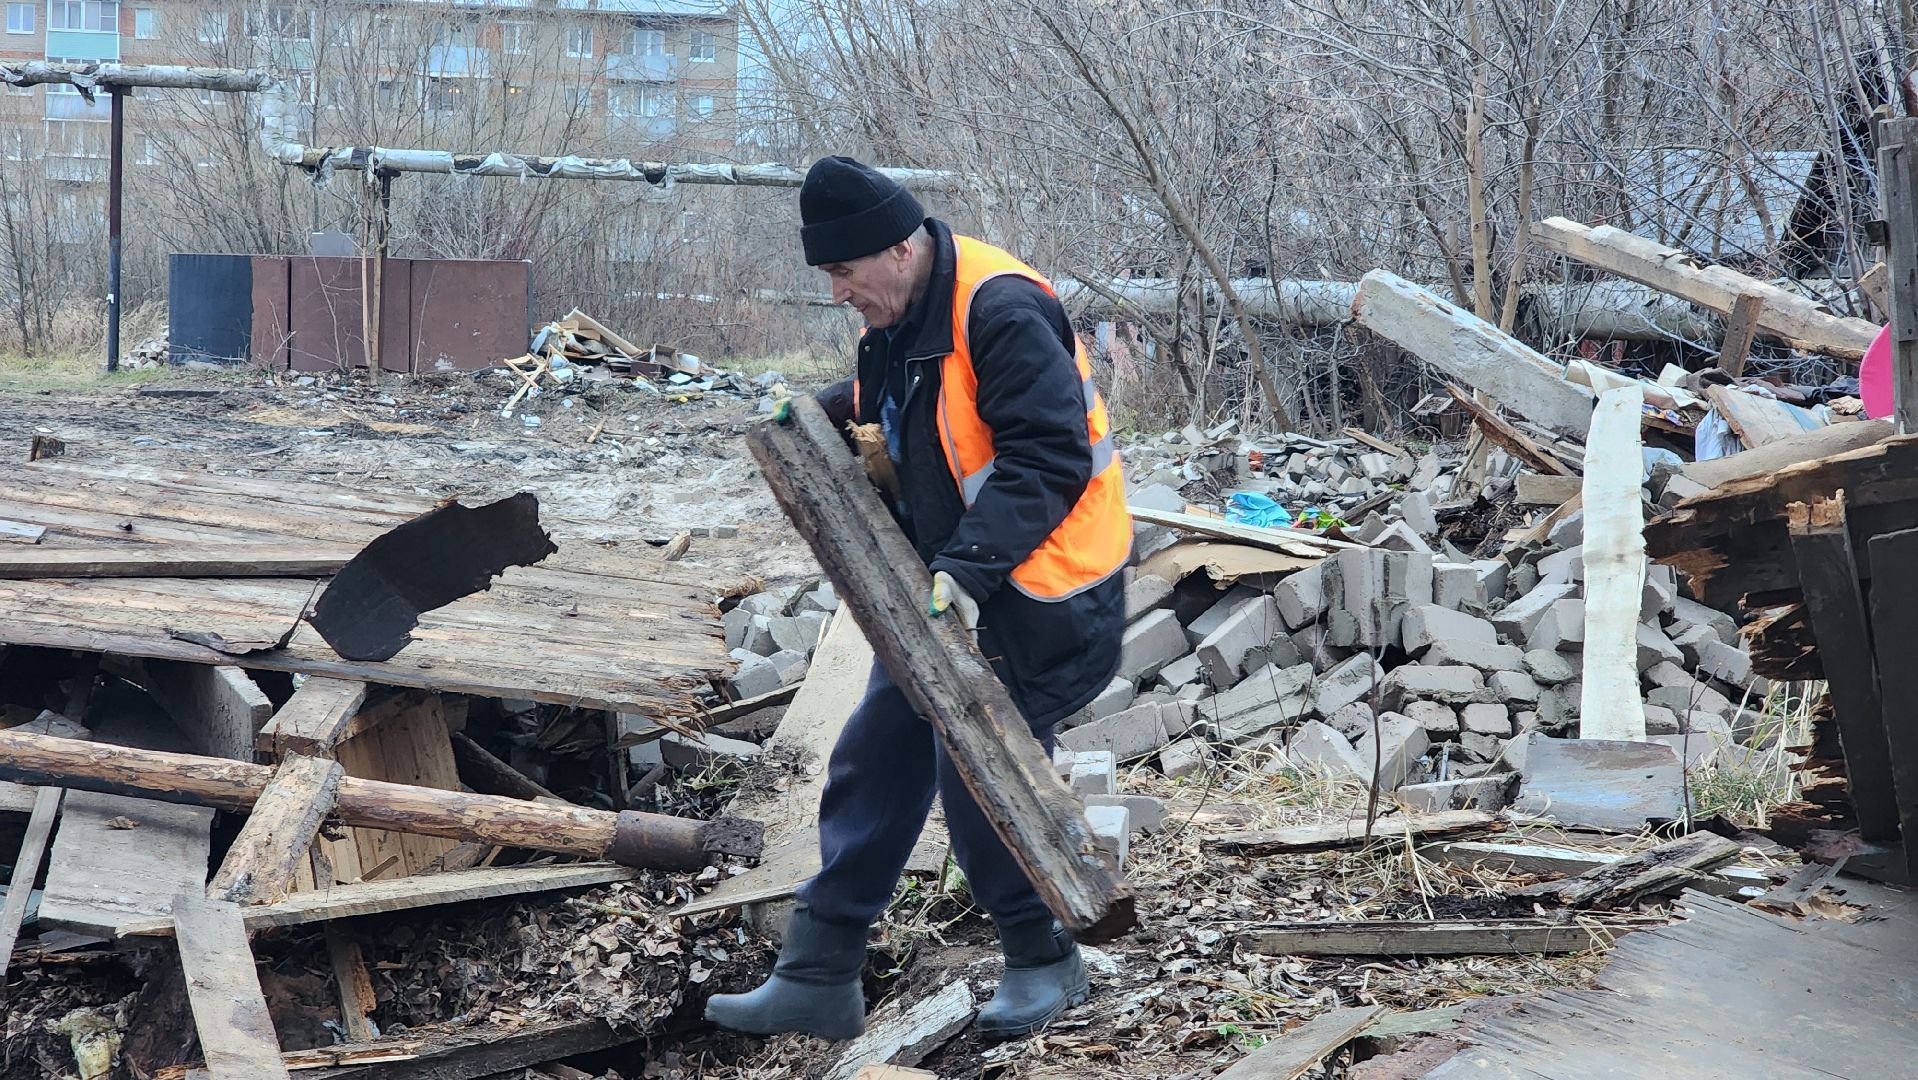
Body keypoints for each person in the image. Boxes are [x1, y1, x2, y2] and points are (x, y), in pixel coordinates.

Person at [704, 156, 1132, 1042]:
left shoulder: (1000, 310)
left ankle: (1045, 958)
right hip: (959, 579)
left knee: (979, 774)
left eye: (844, 272)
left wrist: (969, 569)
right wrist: (818, 415)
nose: (837, 293)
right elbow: (898, 406)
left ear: (898, 249)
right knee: (875, 756)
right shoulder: (901, 311)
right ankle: (818, 973)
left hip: (1043, 586)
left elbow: (1048, 454)